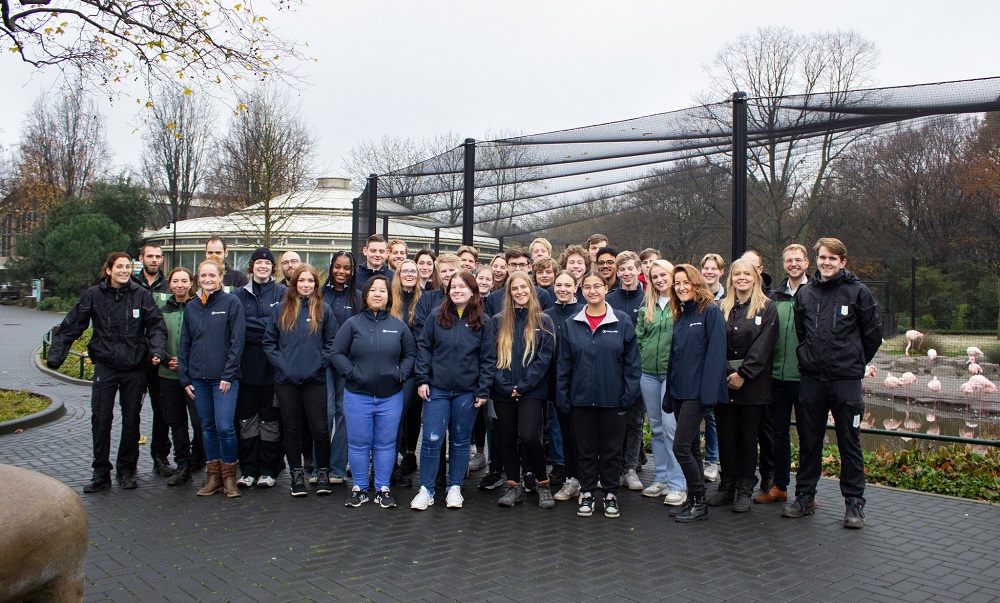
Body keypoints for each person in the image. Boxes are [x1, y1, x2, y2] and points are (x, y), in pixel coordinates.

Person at [47, 252, 167, 493]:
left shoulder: (141, 295)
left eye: (127, 267)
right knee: (101, 418)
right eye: (119, 266)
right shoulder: (94, 295)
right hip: (106, 365)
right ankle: (101, 472)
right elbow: (72, 324)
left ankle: (126, 470)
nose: (124, 270)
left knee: (131, 420)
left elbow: (156, 326)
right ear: (109, 270)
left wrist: (157, 351)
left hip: (135, 367)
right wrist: (55, 356)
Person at [783, 238, 882, 529]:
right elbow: (802, 332)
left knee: (849, 442)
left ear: (843, 262)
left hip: (845, 382)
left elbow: (872, 335)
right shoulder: (806, 294)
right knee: (809, 440)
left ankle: (854, 505)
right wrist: (809, 357)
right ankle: (804, 498)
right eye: (822, 257)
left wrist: (853, 361)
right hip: (812, 380)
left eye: (832, 258)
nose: (826, 262)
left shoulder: (859, 293)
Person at [556, 271, 641, 519]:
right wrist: (563, 396)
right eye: (587, 287)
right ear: (581, 291)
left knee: (612, 449)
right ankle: (588, 492)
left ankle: (611, 494)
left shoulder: (622, 321)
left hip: (613, 400)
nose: (592, 291)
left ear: (606, 289)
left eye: (597, 286)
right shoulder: (572, 323)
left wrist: (628, 396)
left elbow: (632, 365)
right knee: (585, 449)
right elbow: (564, 365)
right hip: (580, 400)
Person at [410, 271, 496, 510]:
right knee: (431, 440)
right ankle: (426, 489)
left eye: (462, 286)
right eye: (453, 286)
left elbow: (488, 358)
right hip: (436, 389)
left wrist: (483, 389)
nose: (457, 290)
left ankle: (455, 487)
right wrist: (423, 379)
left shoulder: (484, 321)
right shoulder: (437, 315)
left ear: (472, 291)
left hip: (467, 393)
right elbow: (424, 347)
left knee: (459, 442)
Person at [332, 275, 417, 508]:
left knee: (386, 444)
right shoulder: (352, 324)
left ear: (389, 297)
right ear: (366, 295)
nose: (378, 294)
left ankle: (382, 488)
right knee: (359, 444)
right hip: (357, 395)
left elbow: (410, 354)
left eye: (383, 290)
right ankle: (359, 488)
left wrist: (401, 374)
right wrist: (352, 374)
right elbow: (336, 353)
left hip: (390, 396)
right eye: (373, 290)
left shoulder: (398, 326)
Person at [263, 264, 339, 497]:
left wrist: (319, 363)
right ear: (294, 283)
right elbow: (268, 343)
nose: (306, 285)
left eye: (310, 281)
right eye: (302, 281)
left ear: (316, 284)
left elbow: (332, 342)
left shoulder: (323, 310)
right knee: (292, 429)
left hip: (315, 379)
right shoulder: (280, 310)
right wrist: (283, 365)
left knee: (320, 428)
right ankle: (296, 476)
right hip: (286, 381)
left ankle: (323, 473)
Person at [709, 258, 778, 513]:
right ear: (731, 278)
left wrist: (743, 374)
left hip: (754, 385)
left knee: (748, 439)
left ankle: (745, 489)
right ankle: (726, 486)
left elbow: (764, 347)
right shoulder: (720, 308)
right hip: (725, 384)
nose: (741, 278)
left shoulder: (767, 308)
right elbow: (715, 343)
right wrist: (728, 372)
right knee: (726, 438)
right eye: (737, 273)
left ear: (755, 277)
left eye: (746, 274)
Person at [178, 258, 246, 498]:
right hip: (198, 380)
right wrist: (185, 378)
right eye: (203, 276)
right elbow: (184, 344)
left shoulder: (231, 303)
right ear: (198, 279)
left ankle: (229, 477)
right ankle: (214, 476)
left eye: (212, 275)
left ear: (221, 277)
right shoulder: (192, 307)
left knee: (225, 427)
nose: (207, 280)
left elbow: (238, 342)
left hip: (224, 380)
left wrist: (228, 374)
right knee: (206, 427)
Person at [665, 264, 727, 523]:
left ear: (696, 283)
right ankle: (693, 498)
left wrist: (709, 394)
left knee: (680, 448)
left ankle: (700, 502)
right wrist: (669, 393)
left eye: (685, 282)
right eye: (677, 283)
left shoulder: (710, 312)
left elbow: (716, 355)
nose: (681, 287)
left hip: (696, 393)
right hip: (679, 392)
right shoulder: (680, 316)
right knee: (690, 448)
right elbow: (674, 357)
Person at [491, 271, 557, 509]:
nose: (520, 292)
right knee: (507, 438)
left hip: (532, 391)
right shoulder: (498, 321)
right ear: (509, 293)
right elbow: (490, 357)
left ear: (531, 290)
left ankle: (543, 483)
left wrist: (524, 386)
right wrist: (504, 386)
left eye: (524, 288)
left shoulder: (543, 321)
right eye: (515, 289)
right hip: (503, 391)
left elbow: (544, 358)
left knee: (530, 436)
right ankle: (513, 486)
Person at [755, 244, 810, 505]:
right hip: (776, 377)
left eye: (798, 260)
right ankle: (780, 485)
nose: (793, 264)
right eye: (789, 260)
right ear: (784, 264)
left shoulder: (815, 294)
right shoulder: (774, 296)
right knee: (778, 434)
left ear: (807, 263)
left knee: (808, 435)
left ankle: (807, 491)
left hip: (806, 378)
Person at [232, 247, 287, 489]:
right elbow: (237, 328)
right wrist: (265, 326)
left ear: (273, 268)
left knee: (270, 421)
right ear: (251, 266)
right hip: (245, 368)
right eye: (258, 263)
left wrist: (255, 327)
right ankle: (248, 469)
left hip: (272, 368)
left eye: (267, 263)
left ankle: (268, 469)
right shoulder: (237, 295)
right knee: (246, 420)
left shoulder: (283, 293)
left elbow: (282, 324)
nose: (263, 266)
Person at [635, 260, 687, 506]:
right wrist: (644, 353)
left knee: (670, 427)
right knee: (655, 427)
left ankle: (678, 484)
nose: (658, 280)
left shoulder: (683, 305)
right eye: (654, 276)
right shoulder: (648, 305)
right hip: (648, 373)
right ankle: (661, 478)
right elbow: (639, 337)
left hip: (672, 374)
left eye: (663, 275)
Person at [157, 267, 205, 486]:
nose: (180, 285)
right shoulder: (161, 309)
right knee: (176, 422)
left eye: (184, 281)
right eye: (175, 281)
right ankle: (182, 464)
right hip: (167, 374)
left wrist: (185, 362)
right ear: (170, 283)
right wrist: (166, 358)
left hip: (193, 375)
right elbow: (154, 337)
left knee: (198, 421)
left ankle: (198, 457)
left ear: (191, 283)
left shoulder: (198, 307)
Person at [321, 251, 362, 485]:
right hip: (324, 364)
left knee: (344, 414)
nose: (341, 272)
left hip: (348, 365)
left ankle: (337, 468)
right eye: (337, 267)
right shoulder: (320, 295)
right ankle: (321, 468)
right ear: (331, 267)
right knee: (325, 414)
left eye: (346, 268)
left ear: (353, 271)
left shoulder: (358, 298)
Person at [605, 250, 645, 491]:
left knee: (635, 420)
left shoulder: (649, 299)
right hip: (613, 370)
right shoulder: (609, 300)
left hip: (641, 371)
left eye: (631, 268)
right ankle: (614, 468)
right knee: (613, 421)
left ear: (639, 270)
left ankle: (630, 468)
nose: (627, 273)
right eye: (622, 269)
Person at [133, 242, 173, 478]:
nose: (155, 260)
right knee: (132, 412)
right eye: (150, 256)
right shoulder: (131, 284)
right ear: (141, 258)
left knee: (163, 412)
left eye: (158, 256)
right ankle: (130, 461)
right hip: (135, 361)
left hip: (161, 358)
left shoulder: (170, 285)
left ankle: (160, 456)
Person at [548, 271, 583, 502]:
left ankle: (585, 479)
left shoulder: (583, 312)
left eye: (567, 285)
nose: (562, 288)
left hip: (580, 383)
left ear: (576, 286)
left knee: (581, 433)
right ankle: (571, 477)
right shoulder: (546, 316)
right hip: (554, 382)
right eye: (558, 284)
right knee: (562, 431)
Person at [390, 259, 424, 482]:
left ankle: (410, 454)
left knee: (411, 412)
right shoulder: (390, 299)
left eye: (413, 271)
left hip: (414, 366)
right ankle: (389, 461)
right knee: (392, 415)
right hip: (390, 365)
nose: (409, 274)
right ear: (398, 274)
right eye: (405, 271)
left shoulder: (423, 299)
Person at [699, 252, 726, 482]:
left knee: (713, 417)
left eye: (713, 268)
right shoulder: (695, 298)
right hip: (697, 364)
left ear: (721, 271)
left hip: (719, 363)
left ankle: (713, 459)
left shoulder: (727, 298)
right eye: (705, 268)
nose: (709, 271)